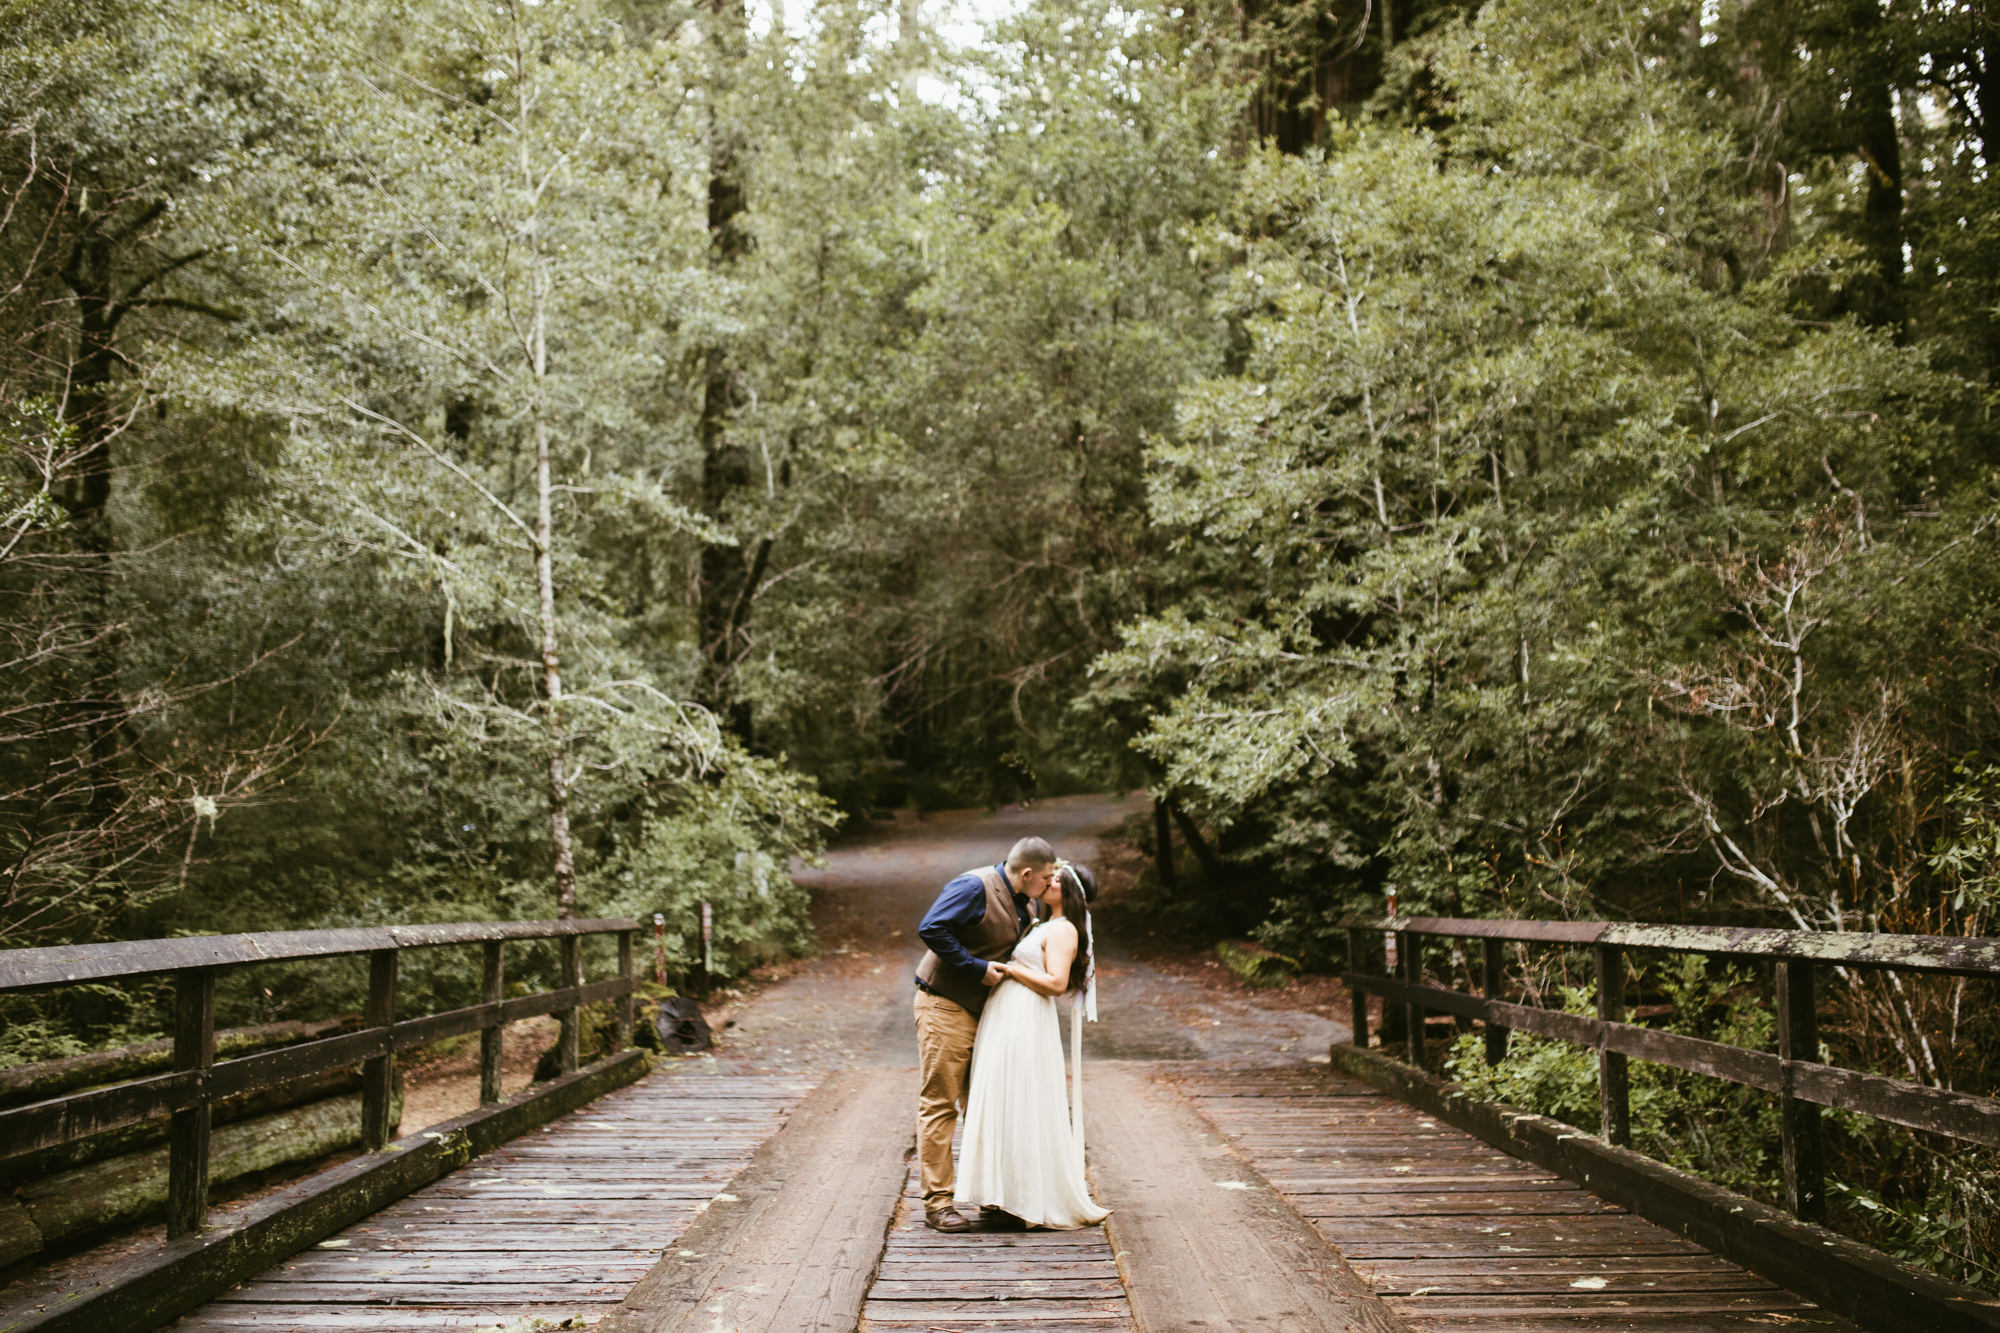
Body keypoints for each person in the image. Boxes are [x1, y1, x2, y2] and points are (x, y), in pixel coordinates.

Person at [913, 837, 1059, 1233]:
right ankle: (938, 1202)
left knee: (989, 1105)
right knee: (941, 1102)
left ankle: (992, 1197)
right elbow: (932, 929)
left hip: (990, 1016)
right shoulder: (972, 886)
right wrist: (975, 967)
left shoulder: (1027, 902)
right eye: (1046, 878)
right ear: (1026, 873)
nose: (1049, 885)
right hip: (944, 1004)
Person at [953, 861, 1109, 1230]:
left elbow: (1055, 983)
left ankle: (1021, 1197)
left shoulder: (1065, 930)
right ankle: (1001, 1192)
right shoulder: (1044, 924)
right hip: (1009, 1014)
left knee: (1019, 1097)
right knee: (1003, 1098)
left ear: (1070, 892)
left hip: (1025, 1017)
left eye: (1057, 879)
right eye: (1050, 877)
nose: (1048, 881)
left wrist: (1008, 969)